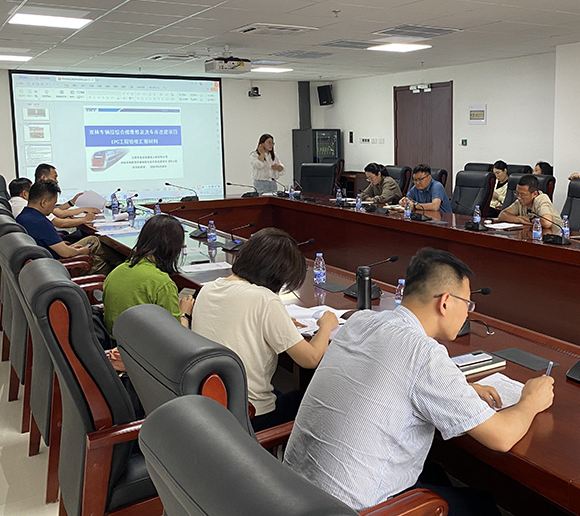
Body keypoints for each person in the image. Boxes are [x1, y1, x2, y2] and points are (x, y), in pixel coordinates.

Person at [284, 248, 554, 516]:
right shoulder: (424, 353)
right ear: (445, 302)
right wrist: (531, 400)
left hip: (292, 494)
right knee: (481, 504)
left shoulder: (361, 320)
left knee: (434, 472)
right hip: (354, 511)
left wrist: (460, 389)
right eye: (467, 304)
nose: (468, 314)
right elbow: (501, 437)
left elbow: (385, 376)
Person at [192, 228, 338, 431]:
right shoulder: (264, 299)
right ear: (276, 274)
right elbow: (310, 359)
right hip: (249, 415)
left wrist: (279, 322)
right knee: (316, 398)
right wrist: (326, 325)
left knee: (279, 393)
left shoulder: (208, 289)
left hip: (211, 403)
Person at [102, 214, 194, 337]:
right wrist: (185, 313)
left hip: (115, 342)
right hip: (143, 346)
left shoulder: (117, 271)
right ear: (174, 248)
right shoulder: (162, 283)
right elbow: (178, 337)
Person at [16, 179, 119, 274]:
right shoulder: (40, 222)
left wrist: (72, 249)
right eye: (54, 203)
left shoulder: (23, 216)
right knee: (103, 261)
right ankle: (120, 265)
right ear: (43, 202)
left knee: (93, 240)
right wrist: (80, 251)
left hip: (48, 260)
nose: (54, 208)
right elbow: (66, 253)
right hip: (59, 267)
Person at [35, 163, 100, 232]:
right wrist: (86, 214)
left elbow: (55, 209)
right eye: (54, 177)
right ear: (43, 178)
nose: (57, 181)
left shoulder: (39, 193)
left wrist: (72, 202)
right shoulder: (39, 195)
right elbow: (60, 214)